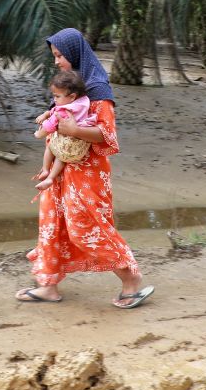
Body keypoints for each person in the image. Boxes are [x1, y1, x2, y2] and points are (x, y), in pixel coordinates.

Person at [16, 28, 154, 309]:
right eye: (54, 56)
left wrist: (76, 129)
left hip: (89, 174)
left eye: (59, 56)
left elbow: (108, 136)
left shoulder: (98, 91)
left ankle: (131, 278)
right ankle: (48, 285)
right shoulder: (68, 89)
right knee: (52, 223)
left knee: (85, 228)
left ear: (75, 54)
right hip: (62, 170)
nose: (56, 61)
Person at [33, 70, 96, 192]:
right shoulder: (83, 102)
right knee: (61, 157)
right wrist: (46, 113)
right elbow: (54, 110)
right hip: (78, 149)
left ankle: (46, 169)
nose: (54, 99)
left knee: (51, 146)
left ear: (72, 96)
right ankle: (51, 178)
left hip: (67, 145)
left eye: (57, 96)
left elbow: (49, 126)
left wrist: (39, 134)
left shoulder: (64, 110)